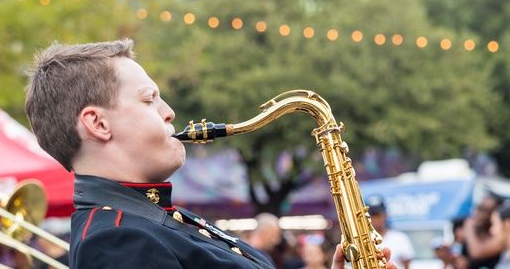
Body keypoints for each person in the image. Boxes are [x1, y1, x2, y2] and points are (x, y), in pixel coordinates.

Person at [24, 39, 396, 269]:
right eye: (149, 99)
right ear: (98, 124)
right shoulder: (117, 242)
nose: (168, 112)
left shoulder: (158, 218)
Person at [367, 196, 415, 269]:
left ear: (385, 215)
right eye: (372, 215)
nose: (375, 219)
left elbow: (407, 265)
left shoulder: (400, 238)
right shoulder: (364, 240)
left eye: (377, 215)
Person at [461, 194, 504, 269]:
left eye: (484, 211)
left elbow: (477, 253)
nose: (478, 214)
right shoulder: (472, 237)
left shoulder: (500, 238)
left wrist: (469, 228)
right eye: (478, 209)